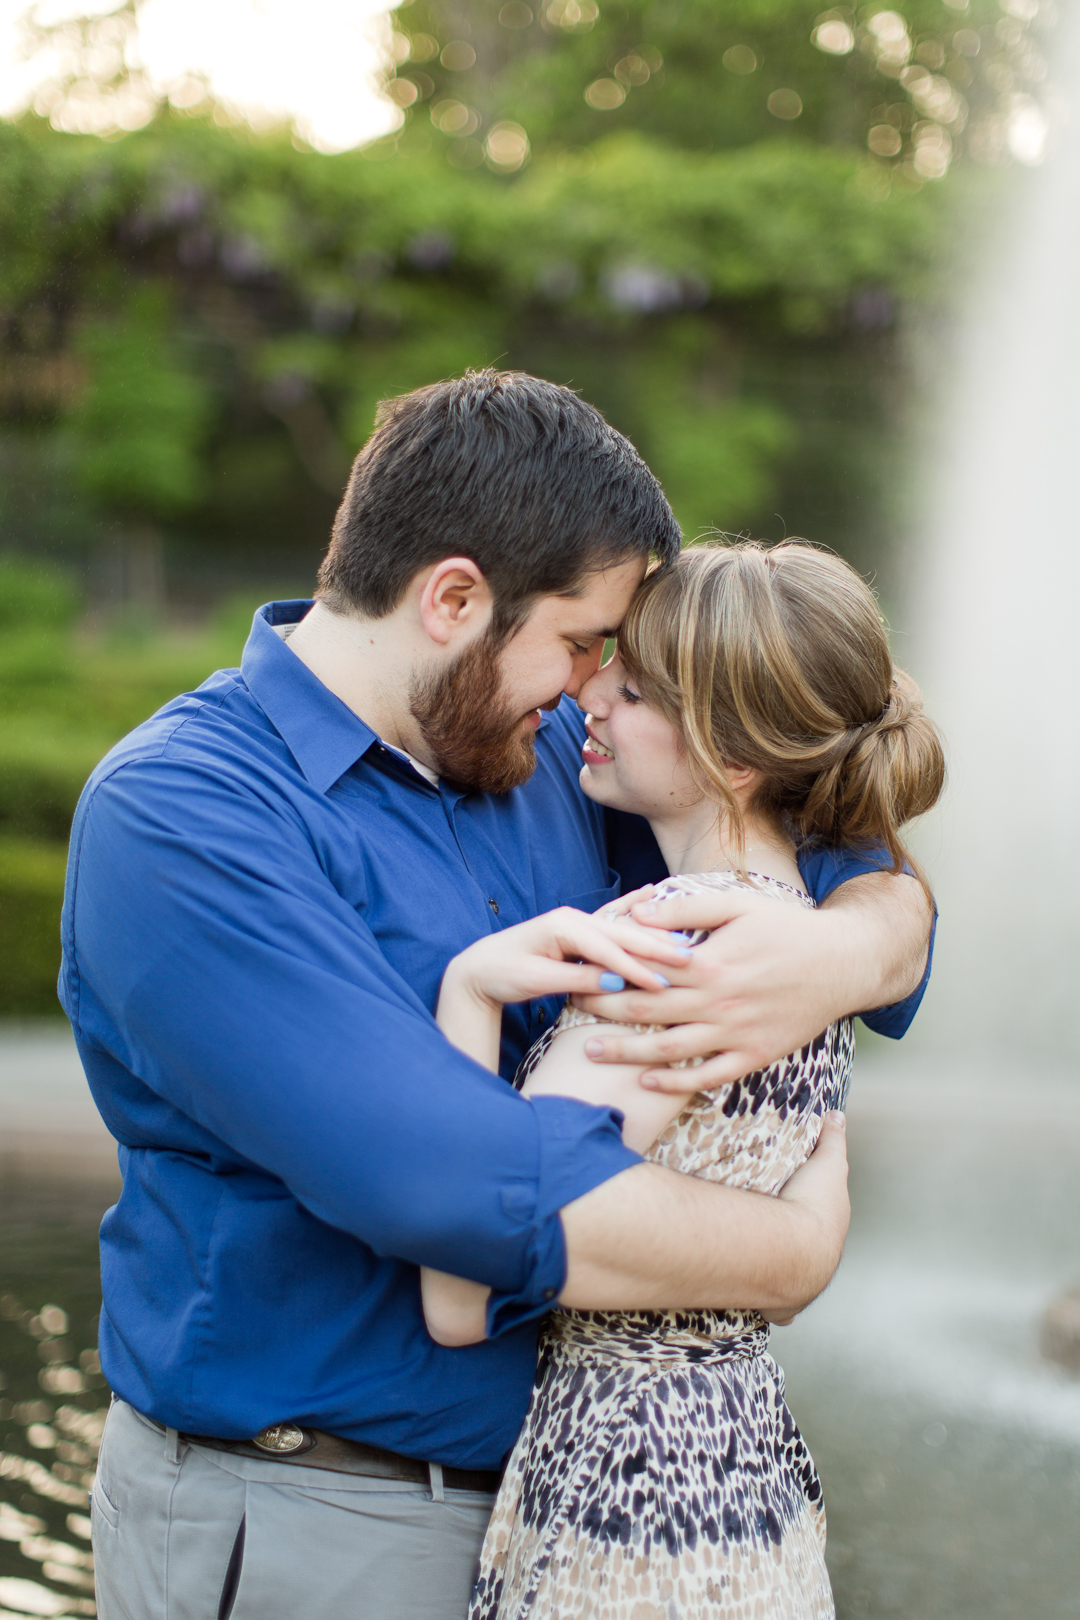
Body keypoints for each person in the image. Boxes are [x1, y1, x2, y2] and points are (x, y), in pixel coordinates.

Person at [61, 372, 933, 1620]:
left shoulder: (529, 757)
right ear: (455, 599)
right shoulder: (185, 817)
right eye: (584, 645)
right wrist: (788, 1254)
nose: (593, 689)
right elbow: (451, 1185)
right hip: (311, 1512)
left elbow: (811, 817)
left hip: (553, 1509)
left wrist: (864, 945)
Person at [422, 542, 945, 1619]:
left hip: (632, 1500)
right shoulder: (796, 928)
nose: (591, 693)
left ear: (734, 754)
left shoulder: (673, 941)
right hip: (739, 1466)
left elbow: (461, 1293)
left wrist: (469, 995)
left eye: (637, 686)